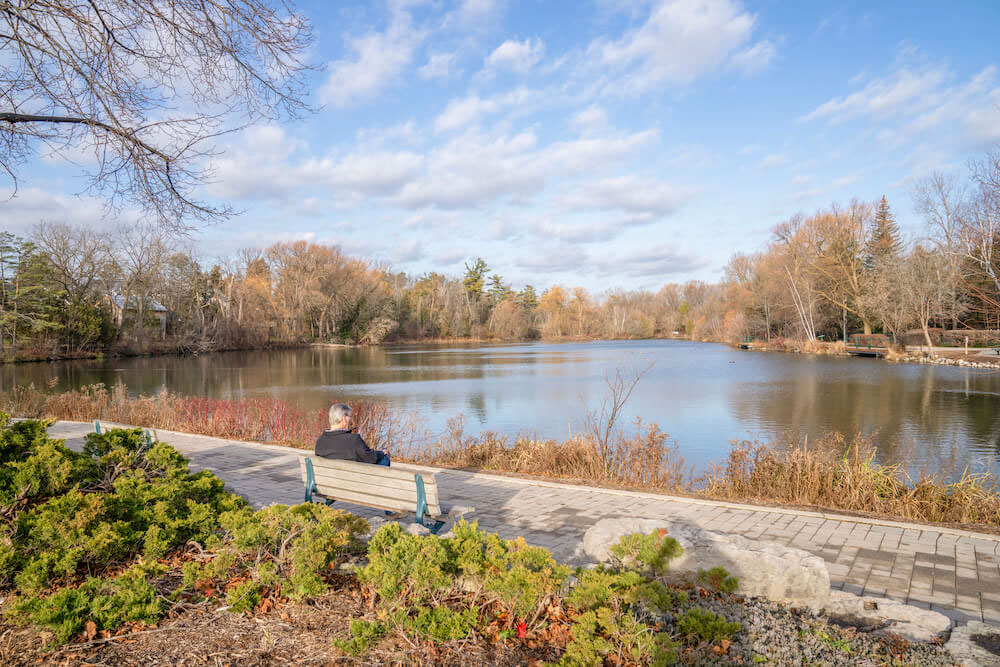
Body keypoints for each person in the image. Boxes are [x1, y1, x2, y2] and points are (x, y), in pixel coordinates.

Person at [314, 403, 390, 466]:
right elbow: (371, 458)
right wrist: (382, 452)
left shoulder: (320, 441)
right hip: (355, 481)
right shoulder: (354, 440)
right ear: (344, 419)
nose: (351, 420)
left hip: (328, 481)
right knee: (384, 458)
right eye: (350, 416)